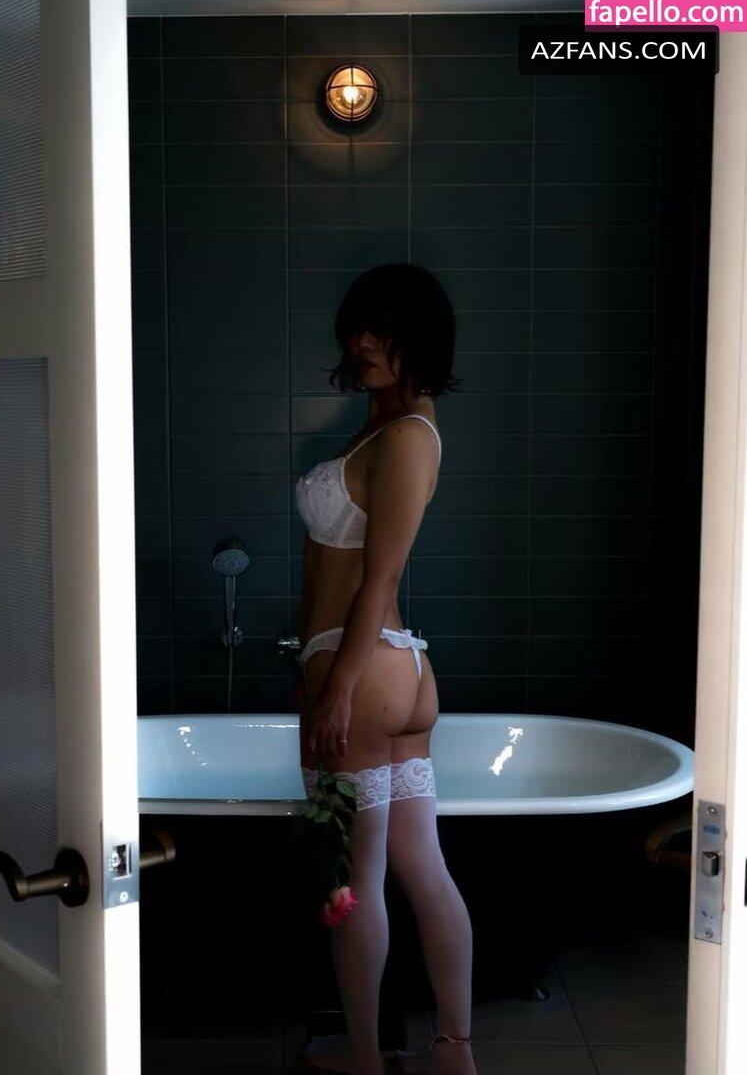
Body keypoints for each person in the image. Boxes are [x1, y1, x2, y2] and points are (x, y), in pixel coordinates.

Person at [294, 263, 477, 1075]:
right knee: (419, 867)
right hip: (392, 674)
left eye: (384, 331)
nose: (363, 343)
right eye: (358, 328)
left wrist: (334, 688)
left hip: (359, 670)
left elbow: (380, 577)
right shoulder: (390, 426)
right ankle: (452, 1052)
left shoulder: (406, 437)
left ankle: (366, 1060)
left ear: (420, 340)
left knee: (353, 878)